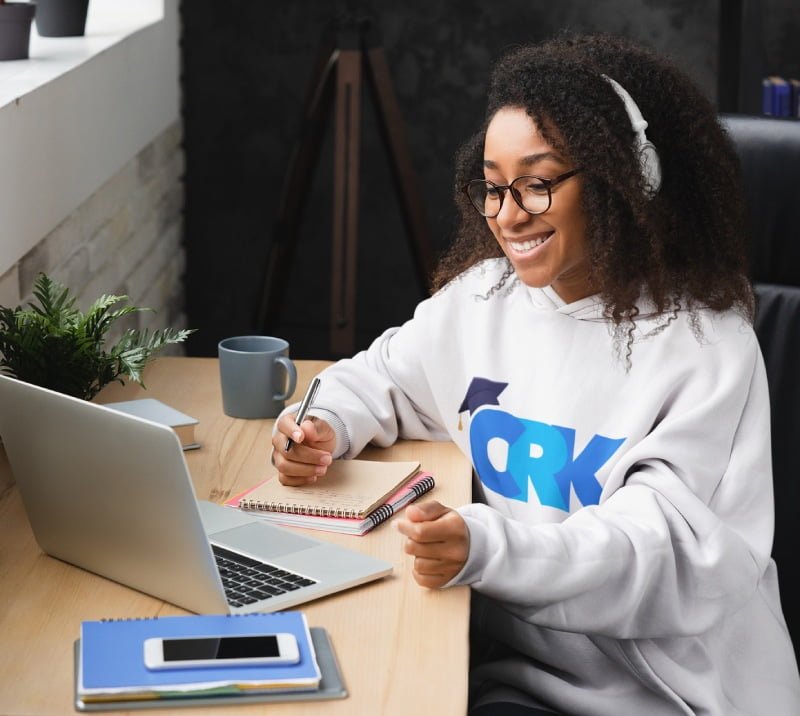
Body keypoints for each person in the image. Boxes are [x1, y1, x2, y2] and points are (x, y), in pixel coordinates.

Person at [271, 33, 800, 715]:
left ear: (622, 178)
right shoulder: (482, 299)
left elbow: (659, 553)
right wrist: (322, 424)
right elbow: (384, 378)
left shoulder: (706, 343)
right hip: (517, 678)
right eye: (492, 187)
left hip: (670, 697)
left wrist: (486, 547)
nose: (508, 214)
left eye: (539, 183)